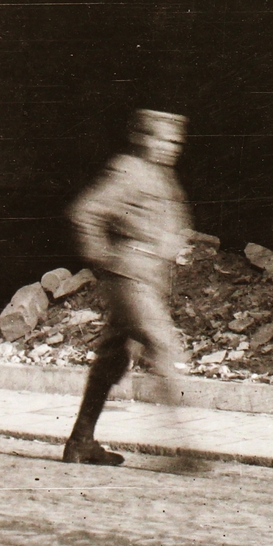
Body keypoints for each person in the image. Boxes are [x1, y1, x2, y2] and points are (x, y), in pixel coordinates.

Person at [62, 108, 204, 470]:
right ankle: (188, 452)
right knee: (165, 346)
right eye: (163, 139)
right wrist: (107, 259)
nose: (171, 147)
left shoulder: (160, 176)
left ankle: (81, 442)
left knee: (112, 358)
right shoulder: (128, 169)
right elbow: (85, 212)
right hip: (130, 280)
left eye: (176, 142)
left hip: (147, 281)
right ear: (142, 138)